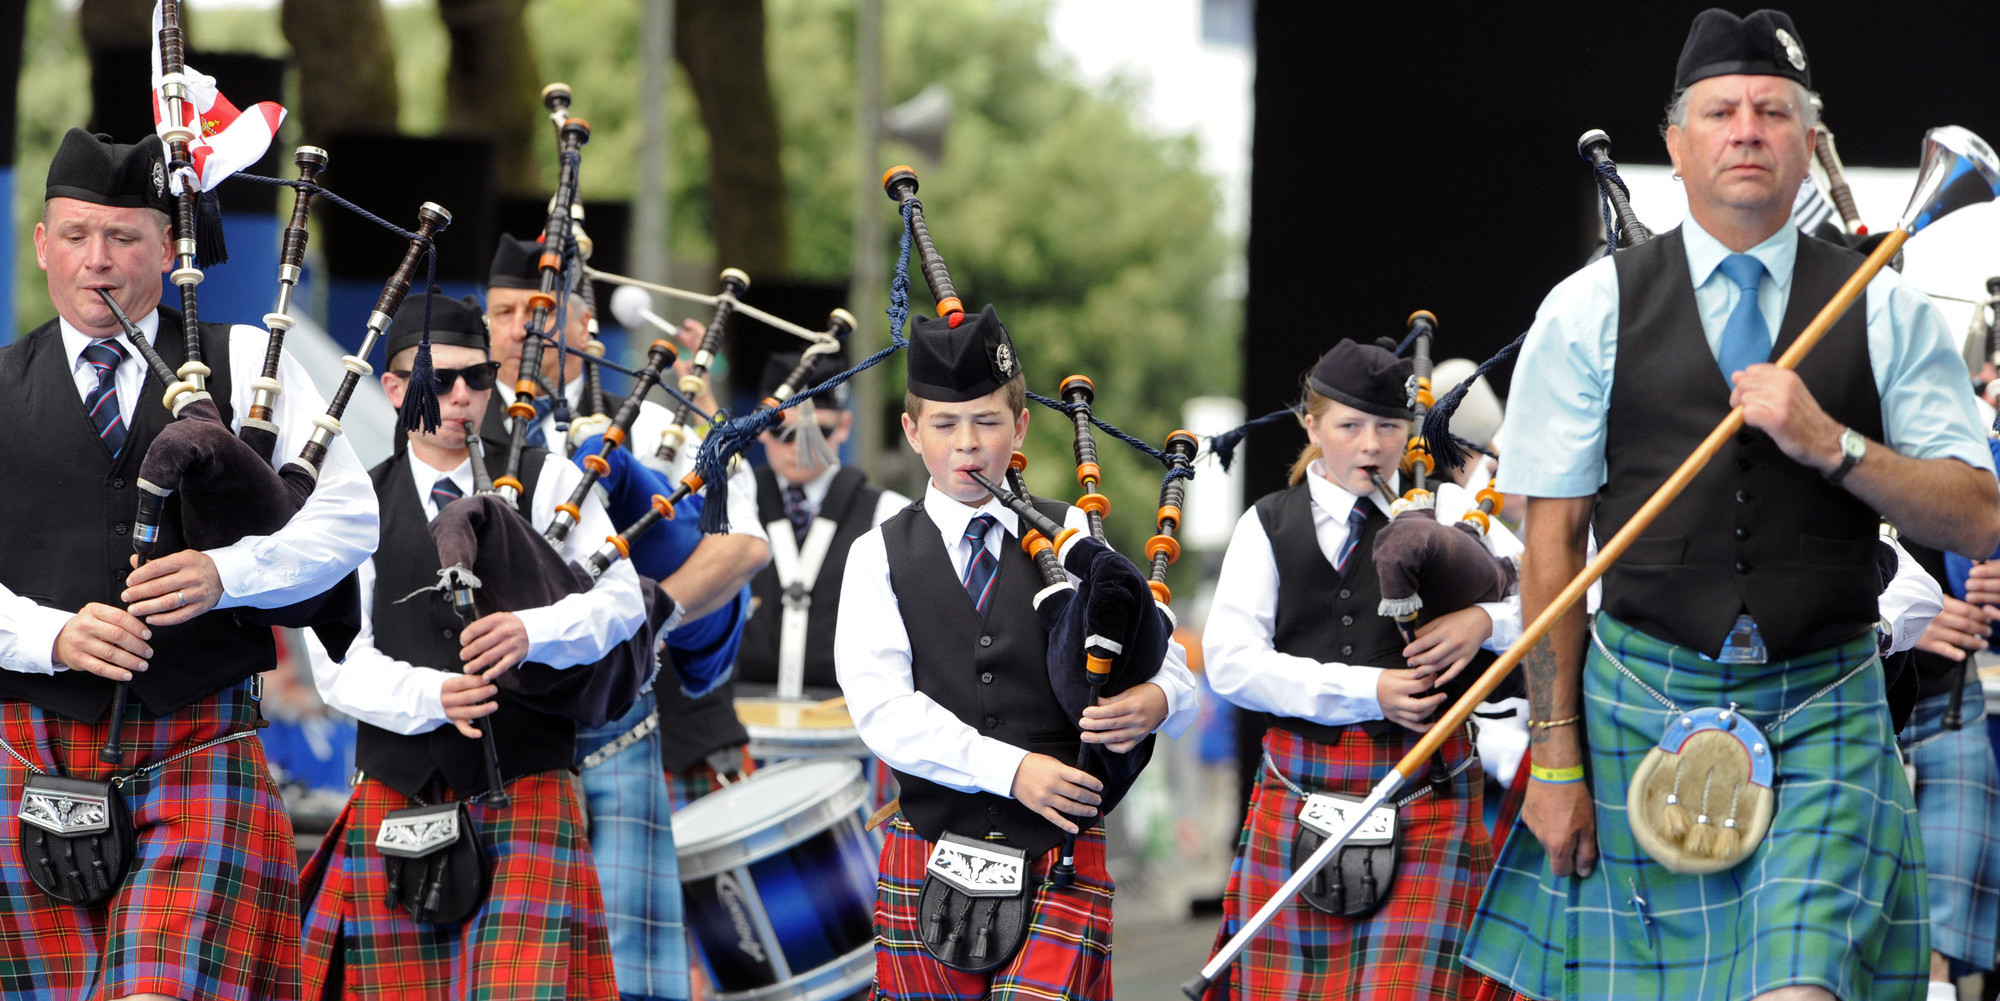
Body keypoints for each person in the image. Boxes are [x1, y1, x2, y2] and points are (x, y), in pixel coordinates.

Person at [1461, 10, 2000, 1001]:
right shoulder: (1587, 310)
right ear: (1674, 143)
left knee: (1797, 987)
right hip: (1636, 704)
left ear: (1806, 142)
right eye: (1719, 110)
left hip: (1823, 706)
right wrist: (1551, 756)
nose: (1744, 128)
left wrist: (1828, 443)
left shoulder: (1882, 306)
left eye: (1770, 110)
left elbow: (1976, 515)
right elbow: (1550, 548)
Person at [0, 128, 376, 1001]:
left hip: (195, 747)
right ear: (42, 246)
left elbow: (348, 518)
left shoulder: (248, 364)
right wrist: (49, 635)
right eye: (77, 235)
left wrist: (227, 573)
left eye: (125, 237)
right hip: (26, 759)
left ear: (169, 250)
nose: (100, 261)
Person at [834, 306, 1200, 999]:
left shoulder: (1074, 532)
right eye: (944, 424)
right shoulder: (876, 554)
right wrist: (1013, 769)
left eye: (987, 420)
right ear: (912, 432)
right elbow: (882, 708)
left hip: (1059, 855)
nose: (967, 444)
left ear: (1022, 426)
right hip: (931, 853)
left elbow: (1161, 654)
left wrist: (1155, 700)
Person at [297, 293, 651, 999]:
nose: (462, 396)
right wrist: (435, 695)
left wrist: (533, 631)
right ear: (395, 389)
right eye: (440, 379)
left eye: (478, 378)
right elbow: (338, 664)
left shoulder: (550, 479)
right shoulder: (355, 504)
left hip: (527, 786)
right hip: (400, 797)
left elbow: (622, 600)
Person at [1200, 338, 1523, 1000]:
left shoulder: (1454, 511)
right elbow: (1231, 664)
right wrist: (1369, 690)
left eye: (1388, 426)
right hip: (1300, 787)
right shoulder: (1266, 524)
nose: (1371, 445)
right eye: (1349, 425)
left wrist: (1484, 621)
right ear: (1311, 425)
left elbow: (1564, 594)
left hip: (1428, 788)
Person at [483, 235, 768, 812]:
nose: (519, 331)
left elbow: (742, 545)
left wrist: (637, 629)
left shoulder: (650, 422)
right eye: (502, 313)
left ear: (585, 324)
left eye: (539, 311)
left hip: (633, 723)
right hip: (495, 729)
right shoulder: (449, 429)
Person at [739, 349, 909, 700]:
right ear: (759, 429)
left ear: (844, 427)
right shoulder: (729, 502)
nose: (801, 446)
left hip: (848, 723)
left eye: (818, 432)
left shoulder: (891, 515)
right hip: (737, 721)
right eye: (783, 431)